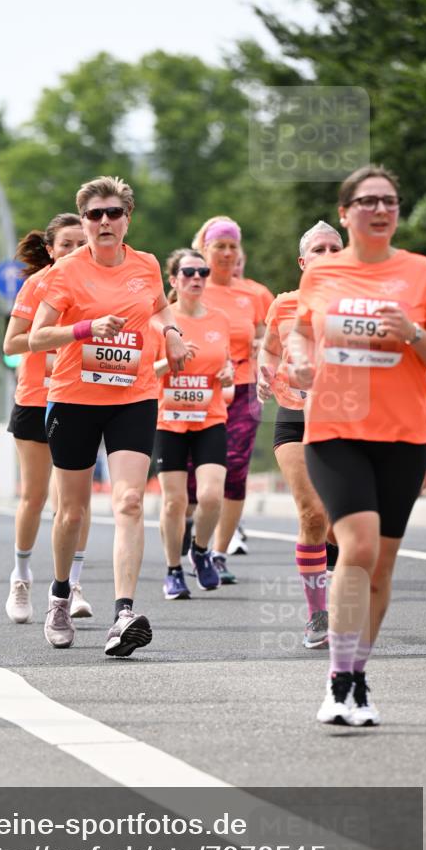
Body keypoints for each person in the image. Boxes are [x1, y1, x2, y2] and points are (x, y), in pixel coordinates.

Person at [289, 165, 426, 725]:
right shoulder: (323, 274)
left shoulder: (423, 273)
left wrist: (412, 333)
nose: (380, 210)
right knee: (356, 548)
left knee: (380, 567)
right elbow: (301, 329)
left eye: (390, 201)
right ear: (346, 210)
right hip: (334, 430)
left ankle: (357, 675)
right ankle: (338, 681)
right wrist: (299, 358)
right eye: (368, 201)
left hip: (402, 436)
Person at [29, 175, 188, 654]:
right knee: (72, 511)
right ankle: (60, 596)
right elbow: (36, 338)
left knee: (130, 502)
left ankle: (123, 614)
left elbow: (159, 308)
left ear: (127, 219)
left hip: (132, 397)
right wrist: (85, 329)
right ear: (83, 221)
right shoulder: (65, 272)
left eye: (113, 213)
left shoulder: (147, 264)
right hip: (74, 399)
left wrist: (172, 332)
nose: (104, 221)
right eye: (94, 214)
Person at [3, 213, 92, 624]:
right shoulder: (37, 285)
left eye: (81, 244)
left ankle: (72, 585)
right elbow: (12, 343)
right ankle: (21, 578)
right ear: (51, 250)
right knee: (35, 496)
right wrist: (62, 342)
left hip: (81, 399)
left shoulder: (98, 284)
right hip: (37, 399)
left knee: (74, 503)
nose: (75, 251)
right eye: (66, 244)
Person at [257, 221, 343, 648]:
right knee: (311, 513)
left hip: (345, 419)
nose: (327, 256)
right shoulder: (284, 304)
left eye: (334, 249)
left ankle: (335, 575)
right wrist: (265, 369)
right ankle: (317, 614)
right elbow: (270, 348)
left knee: (338, 522)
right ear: (303, 262)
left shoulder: (359, 305)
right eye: (318, 250)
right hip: (294, 414)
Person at [154, 249, 233, 599]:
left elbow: (225, 364)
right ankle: (173, 570)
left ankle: (200, 551)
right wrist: (171, 360)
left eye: (203, 272)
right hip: (169, 420)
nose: (197, 278)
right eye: (188, 272)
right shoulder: (160, 320)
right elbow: (144, 371)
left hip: (209, 418)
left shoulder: (220, 320)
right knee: (174, 502)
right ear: (173, 280)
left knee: (211, 496)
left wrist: (228, 373)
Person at [191, 216, 266, 583]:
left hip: (244, 388)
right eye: (218, 246)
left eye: (232, 246)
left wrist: (262, 345)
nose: (226, 253)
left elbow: (270, 337)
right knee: (193, 476)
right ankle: (192, 541)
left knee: (235, 468)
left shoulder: (256, 294)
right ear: (204, 249)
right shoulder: (193, 287)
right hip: (197, 389)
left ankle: (218, 554)